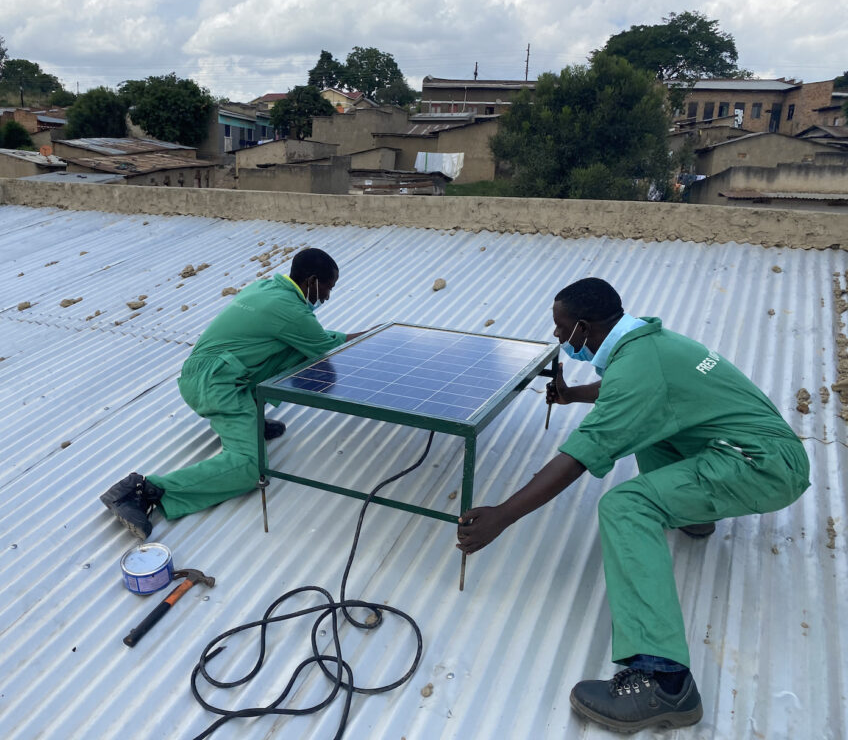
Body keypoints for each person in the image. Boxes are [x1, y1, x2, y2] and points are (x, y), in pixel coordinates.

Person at [456, 277, 810, 733]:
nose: (558, 338)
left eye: (561, 329)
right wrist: (573, 394)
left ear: (584, 327)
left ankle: (665, 683)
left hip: (760, 465)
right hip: (751, 447)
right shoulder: (648, 343)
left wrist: (502, 516)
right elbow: (627, 392)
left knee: (626, 506)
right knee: (652, 428)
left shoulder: (639, 365)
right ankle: (697, 515)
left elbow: (581, 454)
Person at [101, 248, 370, 539]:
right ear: (312, 280)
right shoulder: (289, 310)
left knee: (293, 350)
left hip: (212, 370)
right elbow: (325, 346)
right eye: (328, 288)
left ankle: (251, 418)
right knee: (249, 468)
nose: (328, 297)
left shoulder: (269, 288)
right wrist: (373, 335)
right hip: (216, 383)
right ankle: (143, 490)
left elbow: (305, 339)